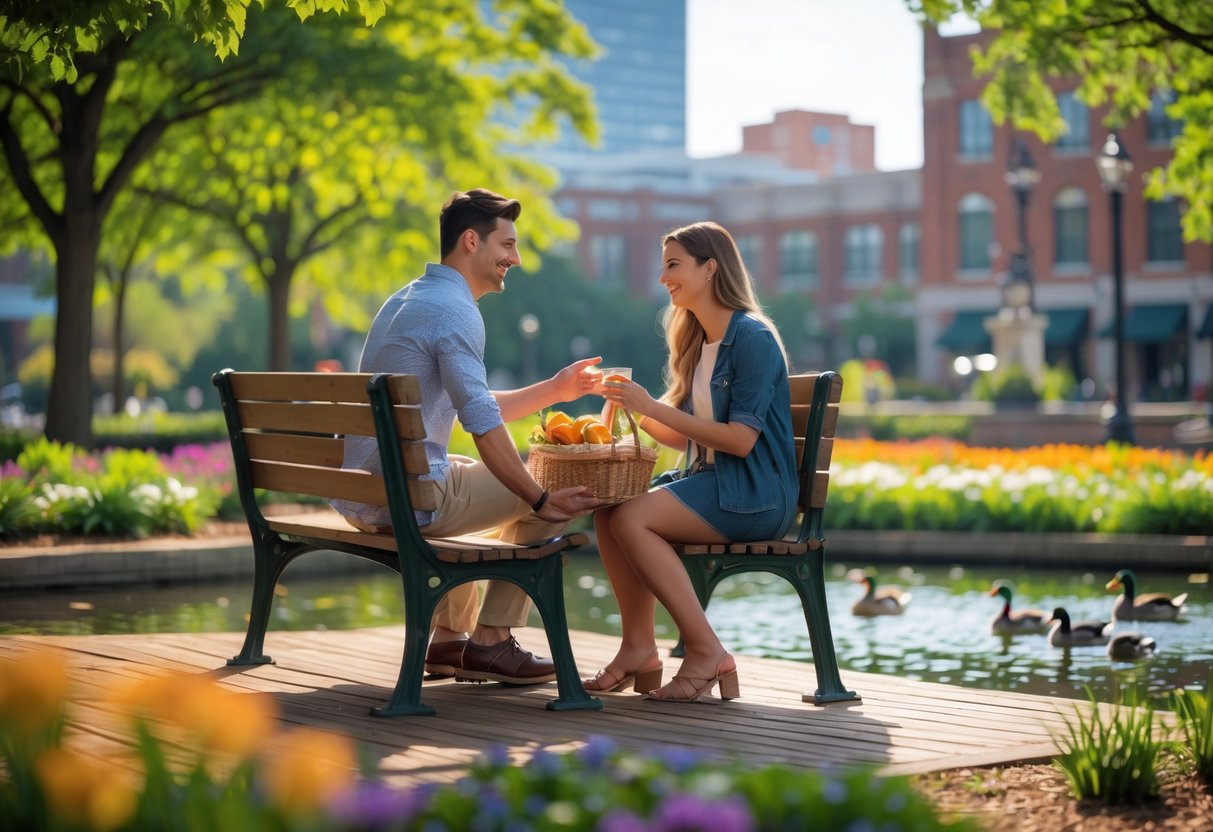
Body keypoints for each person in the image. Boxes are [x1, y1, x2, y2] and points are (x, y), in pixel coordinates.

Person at [333, 188, 601, 685]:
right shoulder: (455, 312)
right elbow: (481, 427)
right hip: (408, 500)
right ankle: (492, 640)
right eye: (508, 245)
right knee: (564, 482)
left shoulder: (408, 299)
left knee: (463, 468)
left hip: (369, 493)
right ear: (472, 241)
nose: (514, 259)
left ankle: (450, 640)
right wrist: (540, 498)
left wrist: (556, 389)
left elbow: (470, 402)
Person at [587, 221, 798, 702]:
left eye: (673, 265)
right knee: (608, 504)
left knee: (634, 517)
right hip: (713, 483)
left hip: (755, 496)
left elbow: (741, 441)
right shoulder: (696, 342)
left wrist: (652, 407)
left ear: (710, 268)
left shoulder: (752, 338)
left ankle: (705, 650)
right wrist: (627, 409)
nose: (664, 278)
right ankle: (638, 647)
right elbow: (681, 437)